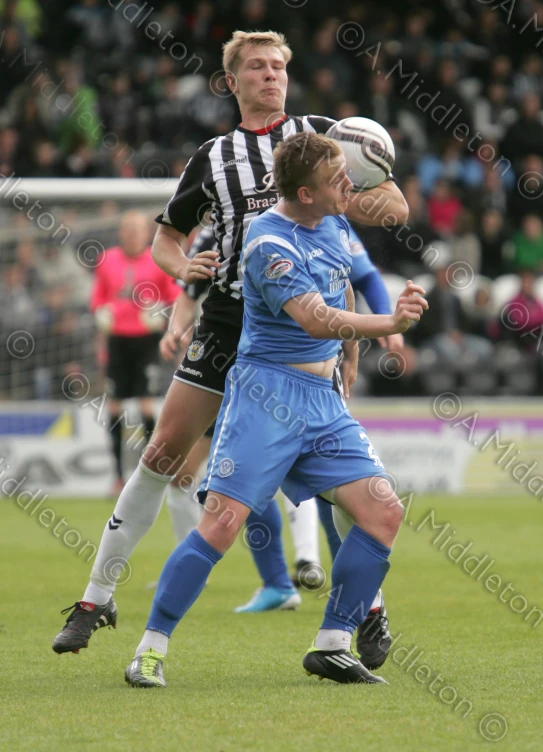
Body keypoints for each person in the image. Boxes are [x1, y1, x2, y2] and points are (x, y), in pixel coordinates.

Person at [52, 30, 408, 662]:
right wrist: (182, 270)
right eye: (257, 68)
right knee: (162, 452)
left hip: (307, 328)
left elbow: (397, 205)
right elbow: (168, 240)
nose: (271, 76)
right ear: (233, 81)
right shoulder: (212, 157)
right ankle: (95, 598)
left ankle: (368, 614)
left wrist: (351, 201)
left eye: (278, 67)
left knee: (342, 480)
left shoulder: (325, 137)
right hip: (226, 326)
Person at [124, 132, 427, 687]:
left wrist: (352, 359)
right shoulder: (267, 242)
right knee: (221, 525)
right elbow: (315, 318)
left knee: (383, 510)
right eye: (339, 180)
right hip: (268, 395)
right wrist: (392, 326)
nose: (350, 187)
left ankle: (334, 643)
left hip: (322, 399)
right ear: (306, 192)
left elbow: (344, 290)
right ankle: (150, 649)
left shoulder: (331, 219)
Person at [89, 211, 179, 496]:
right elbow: (98, 300)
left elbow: (174, 298)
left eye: (138, 229)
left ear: (146, 234)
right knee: (114, 406)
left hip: (146, 343)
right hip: (117, 341)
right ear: (121, 233)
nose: (133, 234)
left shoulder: (157, 259)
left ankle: (149, 478)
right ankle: (117, 478)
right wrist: (102, 314)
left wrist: (159, 313)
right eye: (128, 229)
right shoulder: (107, 260)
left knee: (146, 405)